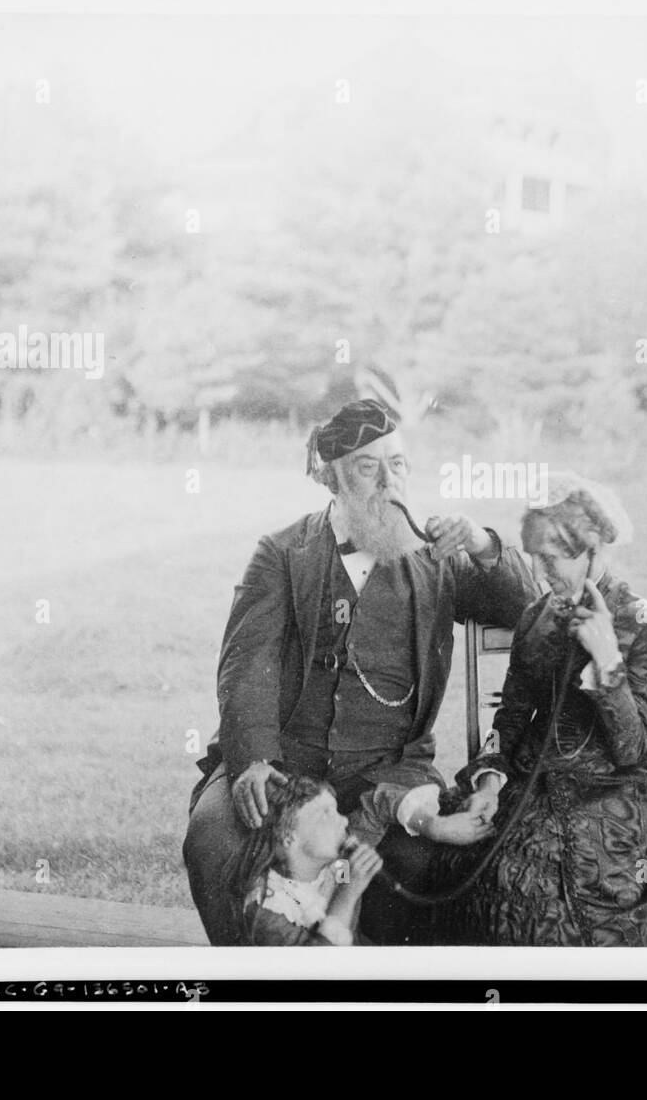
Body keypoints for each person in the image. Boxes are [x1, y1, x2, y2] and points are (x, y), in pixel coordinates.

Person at [182, 399, 538, 944]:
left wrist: (484, 545)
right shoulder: (283, 553)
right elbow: (246, 663)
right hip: (285, 765)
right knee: (216, 838)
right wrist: (254, 759)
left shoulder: (435, 559)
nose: (388, 481)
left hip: (389, 771)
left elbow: (529, 612)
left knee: (420, 861)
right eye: (368, 467)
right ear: (332, 477)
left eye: (397, 464)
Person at [428, 473, 647, 946]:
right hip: (534, 781)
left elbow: (632, 748)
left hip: (610, 788)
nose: (540, 571)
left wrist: (607, 659)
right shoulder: (535, 616)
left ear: (594, 550)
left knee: (554, 883)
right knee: (469, 856)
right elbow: (509, 718)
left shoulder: (640, 621)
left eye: (551, 558)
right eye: (532, 556)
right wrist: (489, 783)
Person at [228, 776, 382, 946]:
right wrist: (348, 893)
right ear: (287, 836)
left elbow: (374, 815)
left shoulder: (339, 863)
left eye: (336, 811)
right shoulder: (268, 910)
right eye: (325, 815)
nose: (344, 820)